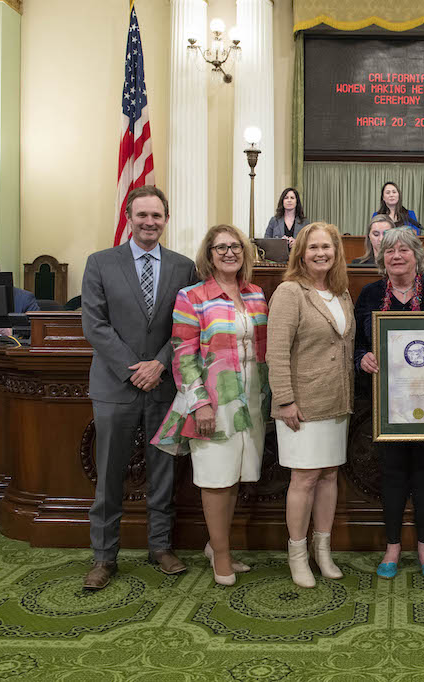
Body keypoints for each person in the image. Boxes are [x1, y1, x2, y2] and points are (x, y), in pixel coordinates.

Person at [80, 185, 197, 591]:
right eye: (142, 215)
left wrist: (159, 364)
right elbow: (94, 324)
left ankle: (160, 547)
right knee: (109, 474)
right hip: (115, 386)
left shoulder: (184, 267)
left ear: (166, 220)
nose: (150, 222)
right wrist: (134, 369)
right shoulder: (100, 263)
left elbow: (189, 326)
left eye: (157, 216)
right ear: (129, 217)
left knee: (163, 471)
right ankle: (104, 557)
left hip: (165, 386)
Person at [151, 224, 269, 586]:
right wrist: (200, 403)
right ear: (209, 254)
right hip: (215, 400)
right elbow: (183, 354)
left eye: (235, 247)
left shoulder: (256, 295)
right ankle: (221, 556)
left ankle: (218, 546)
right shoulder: (192, 296)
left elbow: (264, 349)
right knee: (215, 479)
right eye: (221, 248)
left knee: (233, 477)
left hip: (251, 400)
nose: (229, 252)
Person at [354, 227, 424, 580]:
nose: (396, 256)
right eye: (389, 251)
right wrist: (363, 358)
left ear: (417, 254)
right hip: (388, 403)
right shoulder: (370, 294)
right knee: (391, 474)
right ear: (381, 258)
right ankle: (392, 545)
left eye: (404, 249)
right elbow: (356, 344)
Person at [267, 222, 355, 588]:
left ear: (336, 253)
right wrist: (285, 400)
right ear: (300, 253)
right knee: (303, 478)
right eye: (313, 247)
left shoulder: (342, 292)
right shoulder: (290, 292)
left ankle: (323, 550)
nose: (321, 253)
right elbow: (276, 351)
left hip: (336, 402)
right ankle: (298, 554)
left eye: (327, 247)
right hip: (300, 405)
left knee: (330, 475)